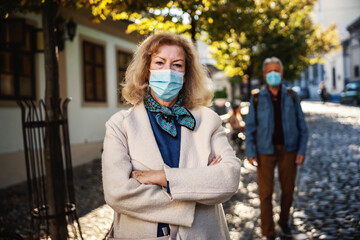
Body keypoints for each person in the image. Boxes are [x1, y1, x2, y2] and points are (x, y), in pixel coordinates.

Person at [102, 33, 241, 239]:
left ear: (185, 74)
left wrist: (163, 178)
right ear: (147, 70)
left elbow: (229, 178)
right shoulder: (120, 125)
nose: (168, 71)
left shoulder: (208, 120)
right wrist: (197, 190)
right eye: (159, 62)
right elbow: (118, 192)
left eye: (177, 65)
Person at [245, 57, 308, 240]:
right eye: (270, 71)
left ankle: (284, 221)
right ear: (265, 75)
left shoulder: (292, 96)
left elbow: (302, 125)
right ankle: (268, 231)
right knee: (265, 194)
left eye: (277, 71)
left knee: (288, 190)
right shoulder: (257, 98)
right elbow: (250, 127)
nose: (273, 74)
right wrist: (250, 152)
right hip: (264, 151)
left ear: (282, 73)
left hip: (289, 150)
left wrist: (301, 150)